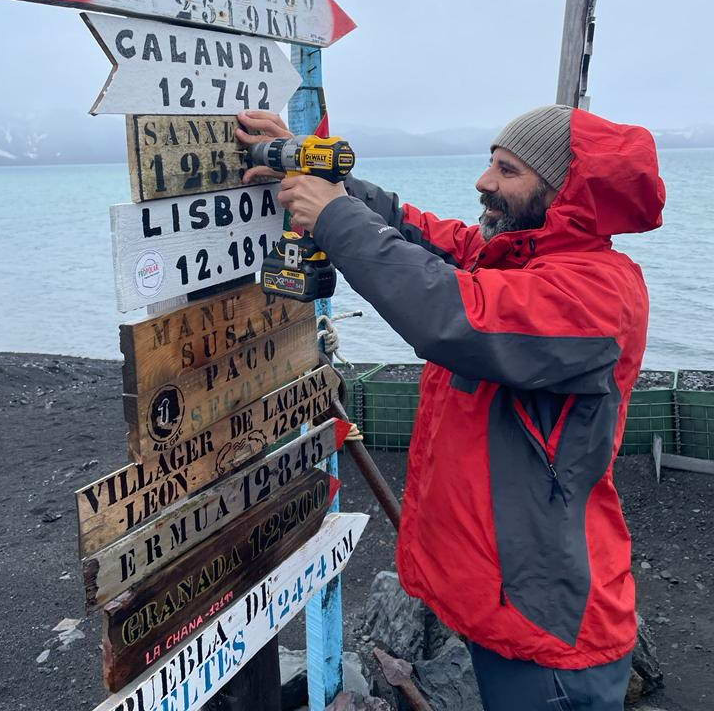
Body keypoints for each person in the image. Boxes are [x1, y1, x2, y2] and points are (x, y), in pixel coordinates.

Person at [236, 104, 665, 711]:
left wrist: (331, 218)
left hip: (551, 622)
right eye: (490, 162)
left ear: (565, 193)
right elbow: (424, 237)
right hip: (508, 600)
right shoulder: (517, 258)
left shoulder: (597, 293)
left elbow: (451, 315)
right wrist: (316, 170)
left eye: (507, 170)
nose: (484, 181)